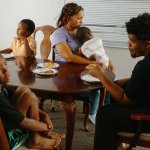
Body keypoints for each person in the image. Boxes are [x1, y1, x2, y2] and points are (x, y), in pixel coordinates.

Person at [86, 12, 150, 150]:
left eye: (132, 41)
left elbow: (125, 99)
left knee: (105, 114)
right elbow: (145, 80)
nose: (129, 44)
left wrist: (100, 75)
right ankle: (117, 145)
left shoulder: (144, 66)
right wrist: (128, 81)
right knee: (112, 92)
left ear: (147, 44)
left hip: (146, 117)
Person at [50, 2, 101, 125]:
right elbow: (69, 57)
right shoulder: (58, 34)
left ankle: (100, 113)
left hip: (79, 69)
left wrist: (96, 58)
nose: (81, 21)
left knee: (105, 84)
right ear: (67, 17)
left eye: (82, 18)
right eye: (78, 18)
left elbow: (89, 50)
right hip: (64, 73)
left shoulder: (80, 32)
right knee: (97, 89)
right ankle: (93, 114)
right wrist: (93, 62)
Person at [0, 55, 64, 149]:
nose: (6, 71)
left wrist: (44, 115)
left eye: (5, 65)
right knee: (29, 95)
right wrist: (47, 128)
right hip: (10, 137)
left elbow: (25, 101)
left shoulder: (2, 87)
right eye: (0, 69)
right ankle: (35, 140)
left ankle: (36, 138)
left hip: (13, 124)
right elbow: (24, 122)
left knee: (25, 90)